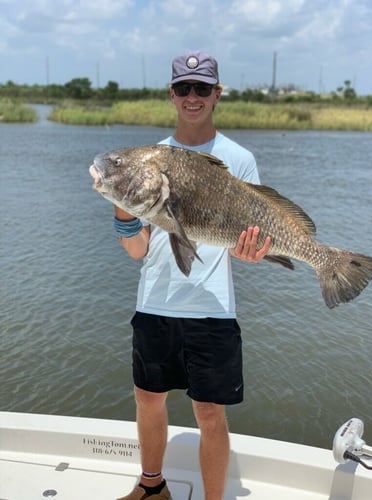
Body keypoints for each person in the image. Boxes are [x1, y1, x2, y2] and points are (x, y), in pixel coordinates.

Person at [115, 51, 271, 500]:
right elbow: (137, 249)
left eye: (202, 88)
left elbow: (250, 241)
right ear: (172, 95)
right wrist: (123, 214)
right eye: (184, 88)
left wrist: (253, 253)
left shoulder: (239, 159)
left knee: (209, 412)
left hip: (213, 308)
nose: (192, 96)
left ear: (217, 94)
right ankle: (151, 487)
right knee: (148, 399)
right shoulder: (150, 161)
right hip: (155, 304)